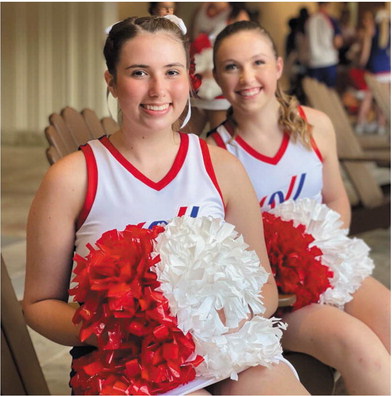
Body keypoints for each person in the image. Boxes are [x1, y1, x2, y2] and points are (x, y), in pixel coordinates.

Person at [22, 16, 308, 395]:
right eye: (139, 72)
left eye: (171, 71)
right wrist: (123, 327)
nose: (158, 89)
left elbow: (265, 290)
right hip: (123, 366)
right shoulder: (72, 177)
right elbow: (39, 303)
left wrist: (207, 321)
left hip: (221, 351)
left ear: (188, 79)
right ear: (111, 81)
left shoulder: (221, 167)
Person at [207, 20, 391, 395]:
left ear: (278, 66)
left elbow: (337, 199)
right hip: (278, 298)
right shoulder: (215, 153)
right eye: (232, 67)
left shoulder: (316, 126)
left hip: (328, 269)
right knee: (362, 349)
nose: (246, 77)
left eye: (258, 63)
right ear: (217, 77)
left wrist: (316, 258)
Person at [181, 2, 251, 136]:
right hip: (198, 81)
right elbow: (188, 41)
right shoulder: (200, 9)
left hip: (221, 85)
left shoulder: (238, 14)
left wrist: (217, 73)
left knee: (219, 140)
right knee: (184, 137)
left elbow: (244, 53)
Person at [306, 2, 343, 88]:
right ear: (328, 5)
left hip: (313, 62)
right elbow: (337, 42)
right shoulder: (331, 20)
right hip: (328, 61)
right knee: (329, 94)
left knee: (315, 94)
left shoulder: (309, 20)